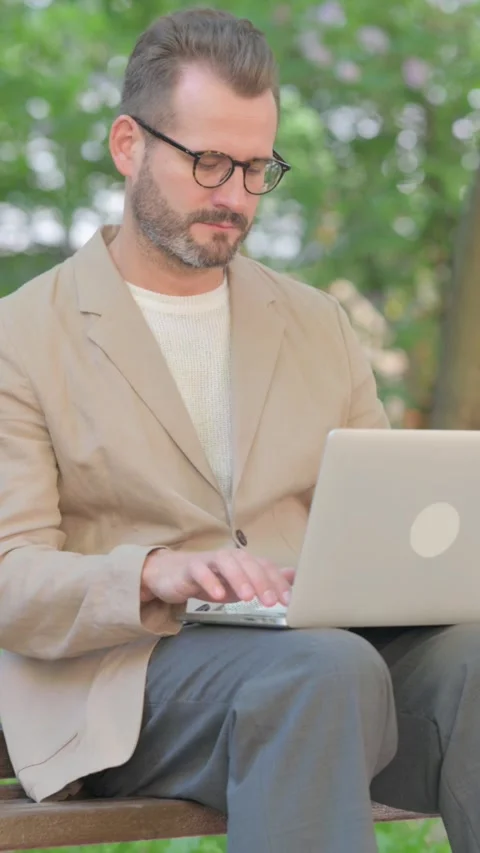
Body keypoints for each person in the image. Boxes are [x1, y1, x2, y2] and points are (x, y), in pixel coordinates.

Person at [0, 8, 478, 852]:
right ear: (127, 145)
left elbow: (376, 520)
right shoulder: (22, 335)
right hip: (132, 679)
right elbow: (10, 578)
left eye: (259, 168)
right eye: (210, 162)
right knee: (323, 672)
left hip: (324, 662)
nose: (235, 197)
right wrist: (158, 571)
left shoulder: (317, 323)